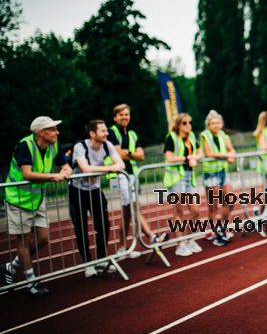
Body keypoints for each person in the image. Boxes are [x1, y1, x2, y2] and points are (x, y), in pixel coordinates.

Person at [1, 117, 72, 296]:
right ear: (41, 132)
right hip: (17, 199)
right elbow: (27, 173)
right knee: (24, 241)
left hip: (37, 198)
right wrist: (53, 177)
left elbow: (65, 165)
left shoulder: (54, 146)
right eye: (53, 129)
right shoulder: (25, 145)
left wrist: (65, 171)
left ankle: (11, 267)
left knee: (43, 238)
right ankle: (31, 281)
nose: (58, 132)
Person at [107, 104, 168, 258]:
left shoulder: (132, 134)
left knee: (127, 212)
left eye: (127, 114)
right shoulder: (112, 132)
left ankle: (122, 248)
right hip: (119, 175)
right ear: (115, 117)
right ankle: (152, 237)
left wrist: (128, 153)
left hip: (131, 174)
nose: (124, 117)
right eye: (121, 115)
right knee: (134, 208)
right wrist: (130, 153)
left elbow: (141, 155)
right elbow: (117, 153)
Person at [69, 120, 125, 278]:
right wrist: (109, 168)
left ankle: (101, 259)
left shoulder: (108, 145)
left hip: (95, 190)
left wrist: (102, 170)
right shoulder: (80, 146)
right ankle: (88, 263)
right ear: (92, 134)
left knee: (104, 225)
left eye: (106, 130)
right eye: (103, 131)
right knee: (81, 228)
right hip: (77, 190)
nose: (107, 133)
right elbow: (85, 168)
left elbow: (120, 164)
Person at [163, 113, 203, 257]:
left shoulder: (191, 137)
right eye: (185, 123)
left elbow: (200, 153)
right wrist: (187, 158)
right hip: (175, 178)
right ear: (178, 125)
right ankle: (180, 243)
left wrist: (194, 157)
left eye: (189, 122)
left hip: (189, 177)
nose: (188, 125)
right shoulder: (172, 138)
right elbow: (169, 157)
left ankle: (190, 238)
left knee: (196, 210)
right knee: (179, 212)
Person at [200, 110, 236, 246]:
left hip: (223, 172)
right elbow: (209, 153)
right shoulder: (204, 135)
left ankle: (222, 227)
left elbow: (232, 150)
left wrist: (230, 155)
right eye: (213, 123)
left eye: (218, 123)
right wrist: (226, 155)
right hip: (211, 174)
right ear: (208, 125)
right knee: (213, 206)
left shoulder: (223, 135)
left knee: (230, 200)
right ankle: (215, 231)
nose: (216, 125)